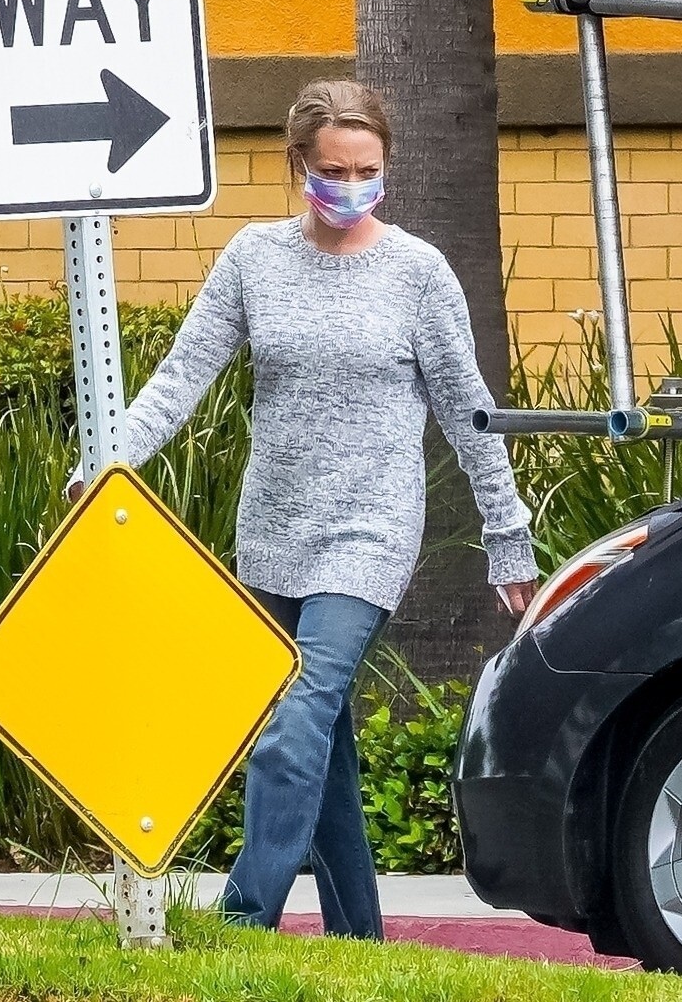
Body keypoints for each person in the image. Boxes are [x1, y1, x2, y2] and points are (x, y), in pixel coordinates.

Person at [68, 79, 539, 939]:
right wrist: (108, 460)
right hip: (273, 529)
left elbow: (469, 414)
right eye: (332, 170)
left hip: (369, 532)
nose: (351, 186)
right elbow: (179, 377)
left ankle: (241, 923)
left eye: (366, 170)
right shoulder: (254, 258)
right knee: (318, 736)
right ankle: (359, 938)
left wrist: (507, 537)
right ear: (298, 165)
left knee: (294, 720)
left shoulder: (416, 274)